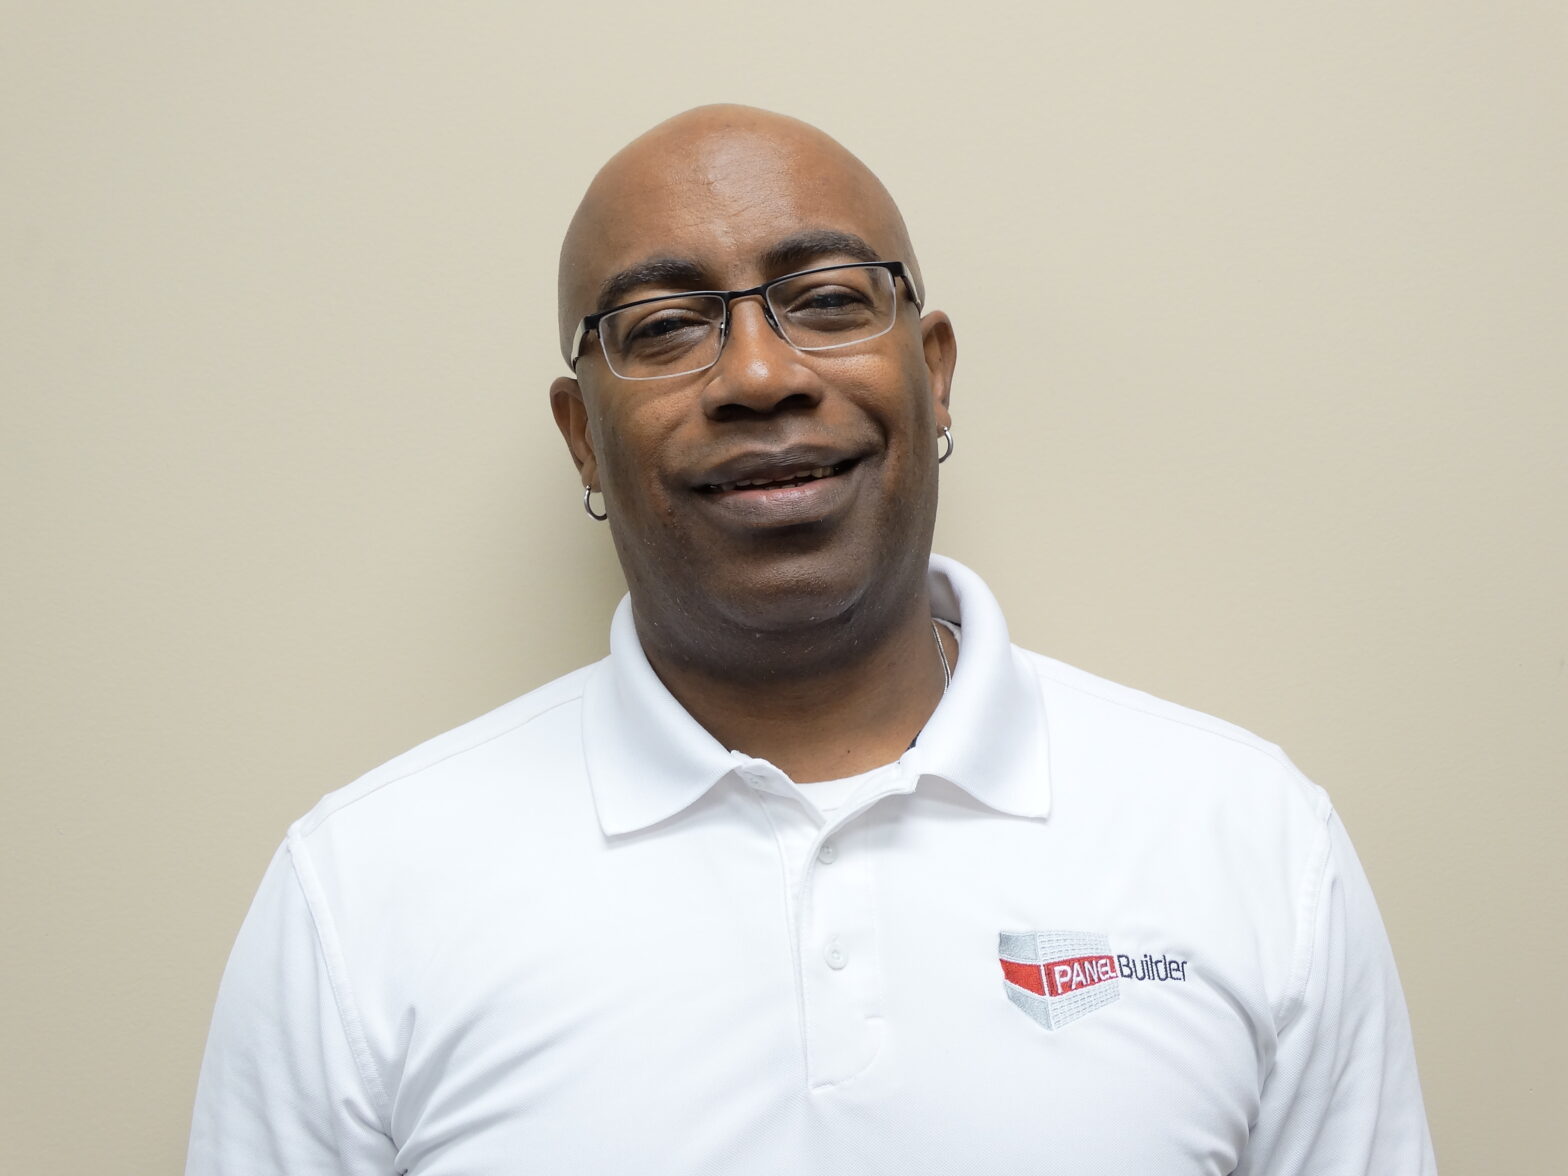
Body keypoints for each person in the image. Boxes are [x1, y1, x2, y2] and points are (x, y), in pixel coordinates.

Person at [187, 105, 1436, 1174]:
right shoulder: (362, 895)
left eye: (828, 301)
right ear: (581, 438)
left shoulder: (1246, 839)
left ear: (934, 375)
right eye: (662, 327)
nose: (757, 374)